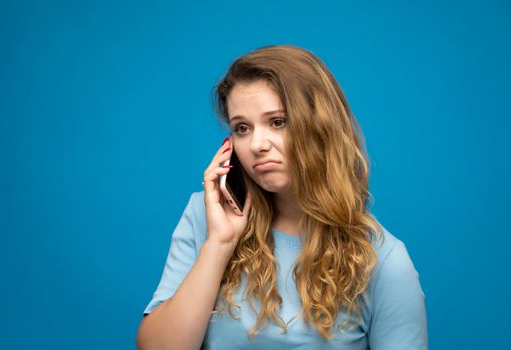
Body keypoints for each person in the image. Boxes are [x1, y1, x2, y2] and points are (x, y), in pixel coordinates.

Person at [136, 44, 428, 350]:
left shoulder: (384, 260)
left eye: (277, 122)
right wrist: (220, 244)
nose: (257, 144)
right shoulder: (207, 216)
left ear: (321, 126)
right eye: (242, 128)